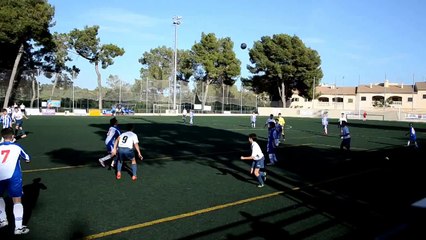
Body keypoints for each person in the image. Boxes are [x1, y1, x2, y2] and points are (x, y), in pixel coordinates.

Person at [0, 127, 31, 235]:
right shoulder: (17, 147)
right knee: (17, 201)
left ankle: (3, 220)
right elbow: (27, 158)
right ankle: (18, 228)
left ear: (2, 137)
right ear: (13, 136)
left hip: (0, 175)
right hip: (14, 177)